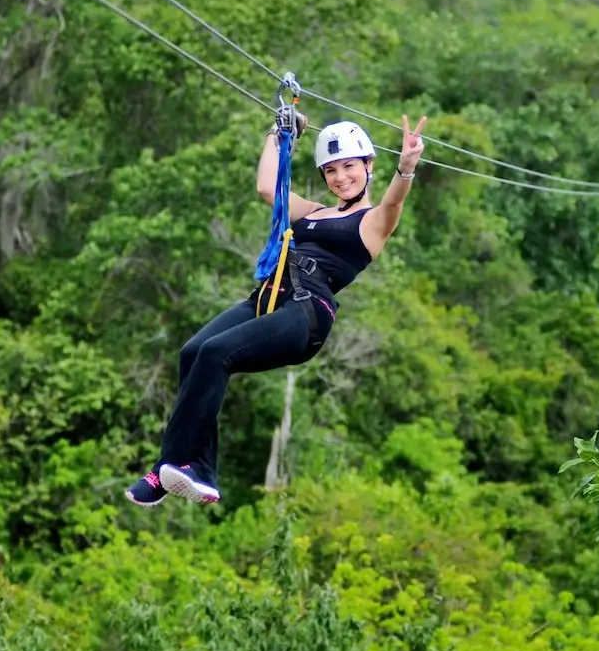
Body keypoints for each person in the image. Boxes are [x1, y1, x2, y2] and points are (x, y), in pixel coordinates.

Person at [125, 111, 428, 507]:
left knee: (217, 354)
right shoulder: (314, 212)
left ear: (369, 165)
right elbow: (269, 188)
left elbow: (393, 204)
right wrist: (279, 132)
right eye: (331, 170)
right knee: (193, 352)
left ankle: (194, 467)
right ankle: (177, 468)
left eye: (350, 166)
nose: (340, 177)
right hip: (268, 299)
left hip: (306, 312)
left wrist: (405, 168)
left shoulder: (371, 223)